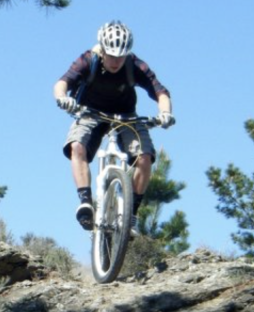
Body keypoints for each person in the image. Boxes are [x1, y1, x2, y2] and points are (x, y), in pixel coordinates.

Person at [54, 20, 174, 231]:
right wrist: (63, 98)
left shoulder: (135, 65)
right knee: (77, 146)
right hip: (90, 112)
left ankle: (131, 215)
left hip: (126, 116)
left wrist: (165, 113)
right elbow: (62, 83)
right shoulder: (87, 60)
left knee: (145, 158)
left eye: (121, 56)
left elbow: (160, 91)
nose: (116, 61)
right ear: (102, 50)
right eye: (111, 55)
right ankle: (85, 202)